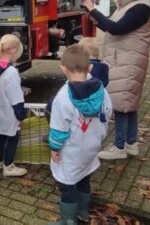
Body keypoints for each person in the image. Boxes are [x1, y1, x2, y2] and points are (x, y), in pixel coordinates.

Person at [82, 0, 150, 161]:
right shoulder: (131, 6)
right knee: (128, 102)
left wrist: (93, 10)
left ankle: (119, 146)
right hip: (123, 59)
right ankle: (131, 144)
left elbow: (116, 28)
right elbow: (113, 25)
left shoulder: (141, 8)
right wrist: (97, 20)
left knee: (121, 103)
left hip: (127, 61)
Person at [48, 45, 112, 224]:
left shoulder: (63, 97)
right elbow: (107, 113)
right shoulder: (103, 91)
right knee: (84, 176)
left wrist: (54, 147)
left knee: (67, 184)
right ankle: (83, 212)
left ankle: (68, 220)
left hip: (72, 151)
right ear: (90, 67)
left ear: (63, 69)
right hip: (91, 147)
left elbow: (59, 128)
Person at [0, 34, 28, 177]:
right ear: (14, 50)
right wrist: (20, 114)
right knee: (12, 137)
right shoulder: (11, 72)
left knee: (0, 137)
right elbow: (16, 97)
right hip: (8, 112)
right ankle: (8, 166)